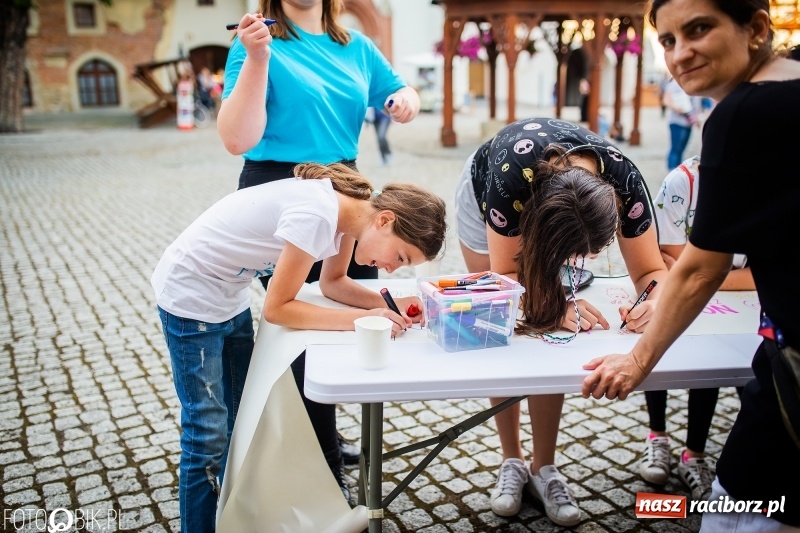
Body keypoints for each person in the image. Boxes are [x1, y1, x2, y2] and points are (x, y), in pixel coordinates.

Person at [582, 0, 800, 530]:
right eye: (669, 40)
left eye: (700, 29)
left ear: (755, 28)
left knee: (737, 512)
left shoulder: (745, 115)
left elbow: (701, 268)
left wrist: (637, 361)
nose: (681, 53)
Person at [152, 162, 447, 533]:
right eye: (400, 257)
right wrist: (359, 322)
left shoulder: (349, 213)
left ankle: (228, 518)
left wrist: (386, 306)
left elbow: (333, 284)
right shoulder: (319, 215)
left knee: (240, 422)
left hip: (228, 297)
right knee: (207, 434)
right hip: (190, 299)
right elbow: (277, 309)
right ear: (385, 220)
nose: (390, 270)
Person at [216, 0, 421, 497]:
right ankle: (326, 471)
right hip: (282, 187)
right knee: (305, 334)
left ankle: (324, 434)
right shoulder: (257, 41)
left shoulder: (356, 45)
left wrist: (405, 100)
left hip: (347, 190)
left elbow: (400, 90)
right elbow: (236, 138)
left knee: (352, 321)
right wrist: (255, 57)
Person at [454, 117, 668, 526]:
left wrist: (659, 299)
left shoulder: (625, 179)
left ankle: (543, 465)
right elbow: (505, 285)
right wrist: (552, 307)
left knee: (555, 336)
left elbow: (651, 272)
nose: (578, 264)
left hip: (549, 192)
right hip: (491, 187)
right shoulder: (508, 186)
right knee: (508, 330)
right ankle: (512, 458)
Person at [640, 155, 755, 501]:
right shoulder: (683, 183)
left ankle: (695, 454)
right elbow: (670, 263)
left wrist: (701, 279)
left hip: (735, 305)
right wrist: (703, 278)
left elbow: (754, 274)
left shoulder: (764, 186)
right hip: (688, 291)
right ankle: (656, 434)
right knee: (656, 340)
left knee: (712, 361)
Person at [663, 77, 702, 170]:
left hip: (689, 122)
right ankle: (672, 171)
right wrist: (676, 107)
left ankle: (678, 170)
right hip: (677, 121)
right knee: (675, 148)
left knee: (681, 150)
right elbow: (666, 100)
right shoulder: (673, 84)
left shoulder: (693, 84)